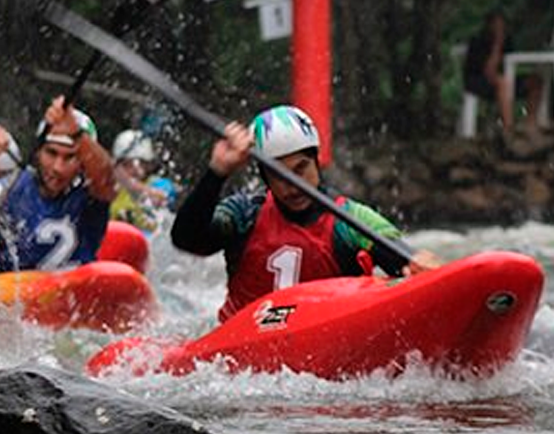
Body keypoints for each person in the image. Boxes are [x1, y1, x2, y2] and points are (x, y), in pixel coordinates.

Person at [170, 105, 440, 323]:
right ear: (264, 176)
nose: (292, 185)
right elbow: (187, 239)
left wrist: (416, 263)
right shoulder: (244, 213)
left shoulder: (351, 218)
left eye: (301, 168)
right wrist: (217, 173)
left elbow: (400, 258)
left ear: (316, 161)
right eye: (279, 174)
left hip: (323, 340)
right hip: (239, 350)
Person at [0, 95, 115, 273]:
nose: (58, 167)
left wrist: (76, 133)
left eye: (70, 157)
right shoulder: (7, 190)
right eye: (51, 153)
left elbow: (105, 176)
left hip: (71, 291)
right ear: (38, 152)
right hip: (10, 293)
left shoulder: (91, 196)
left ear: (83, 161)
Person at [463, 10, 543, 133]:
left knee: (535, 81)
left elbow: (510, 62)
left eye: (502, 24)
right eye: (496, 24)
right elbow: (488, 71)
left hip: (504, 80)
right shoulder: (478, 41)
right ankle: (509, 129)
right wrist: (497, 44)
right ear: (489, 25)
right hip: (479, 81)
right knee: (503, 83)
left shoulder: (507, 40)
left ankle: (530, 124)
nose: (500, 28)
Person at [109, 129, 177, 233]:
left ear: (148, 165)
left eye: (137, 163)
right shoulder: (112, 189)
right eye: (125, 164)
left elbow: (160, 199)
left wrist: (130, 184)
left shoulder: (160, 184)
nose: (133, 170)